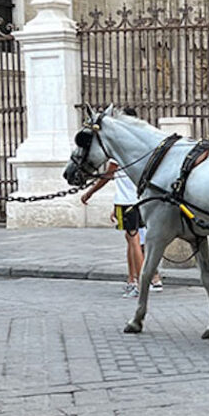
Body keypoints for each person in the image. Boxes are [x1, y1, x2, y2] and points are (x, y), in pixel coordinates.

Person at [79, 110, 163, 296]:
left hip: (127, 202)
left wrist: (90, 192)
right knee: (136, 240)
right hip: (140, 200)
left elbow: (108, 175)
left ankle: (143, 282)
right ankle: (136, 279)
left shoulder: (121, 149)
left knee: (134, 240)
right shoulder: (142, 149)